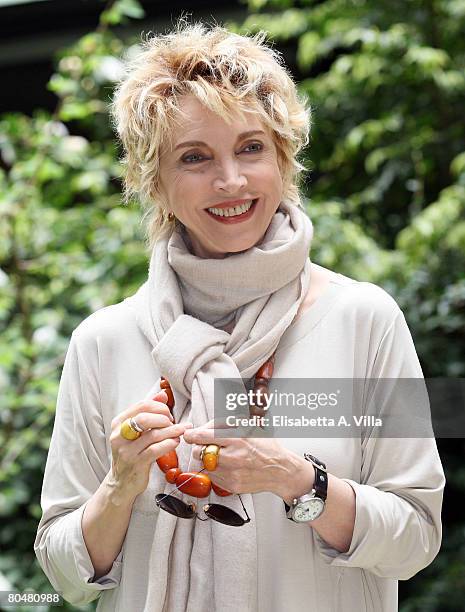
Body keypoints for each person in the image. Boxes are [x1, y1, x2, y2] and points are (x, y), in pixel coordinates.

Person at [34, 21, 445, 612]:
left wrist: (298, 481)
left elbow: (416, 540)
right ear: (155, 181)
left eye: (251, 148)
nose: (230, 181)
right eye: (194, 157)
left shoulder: (363, 320)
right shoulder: (104, 341)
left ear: (283, 157)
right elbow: (65, 575)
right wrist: (121, 484)